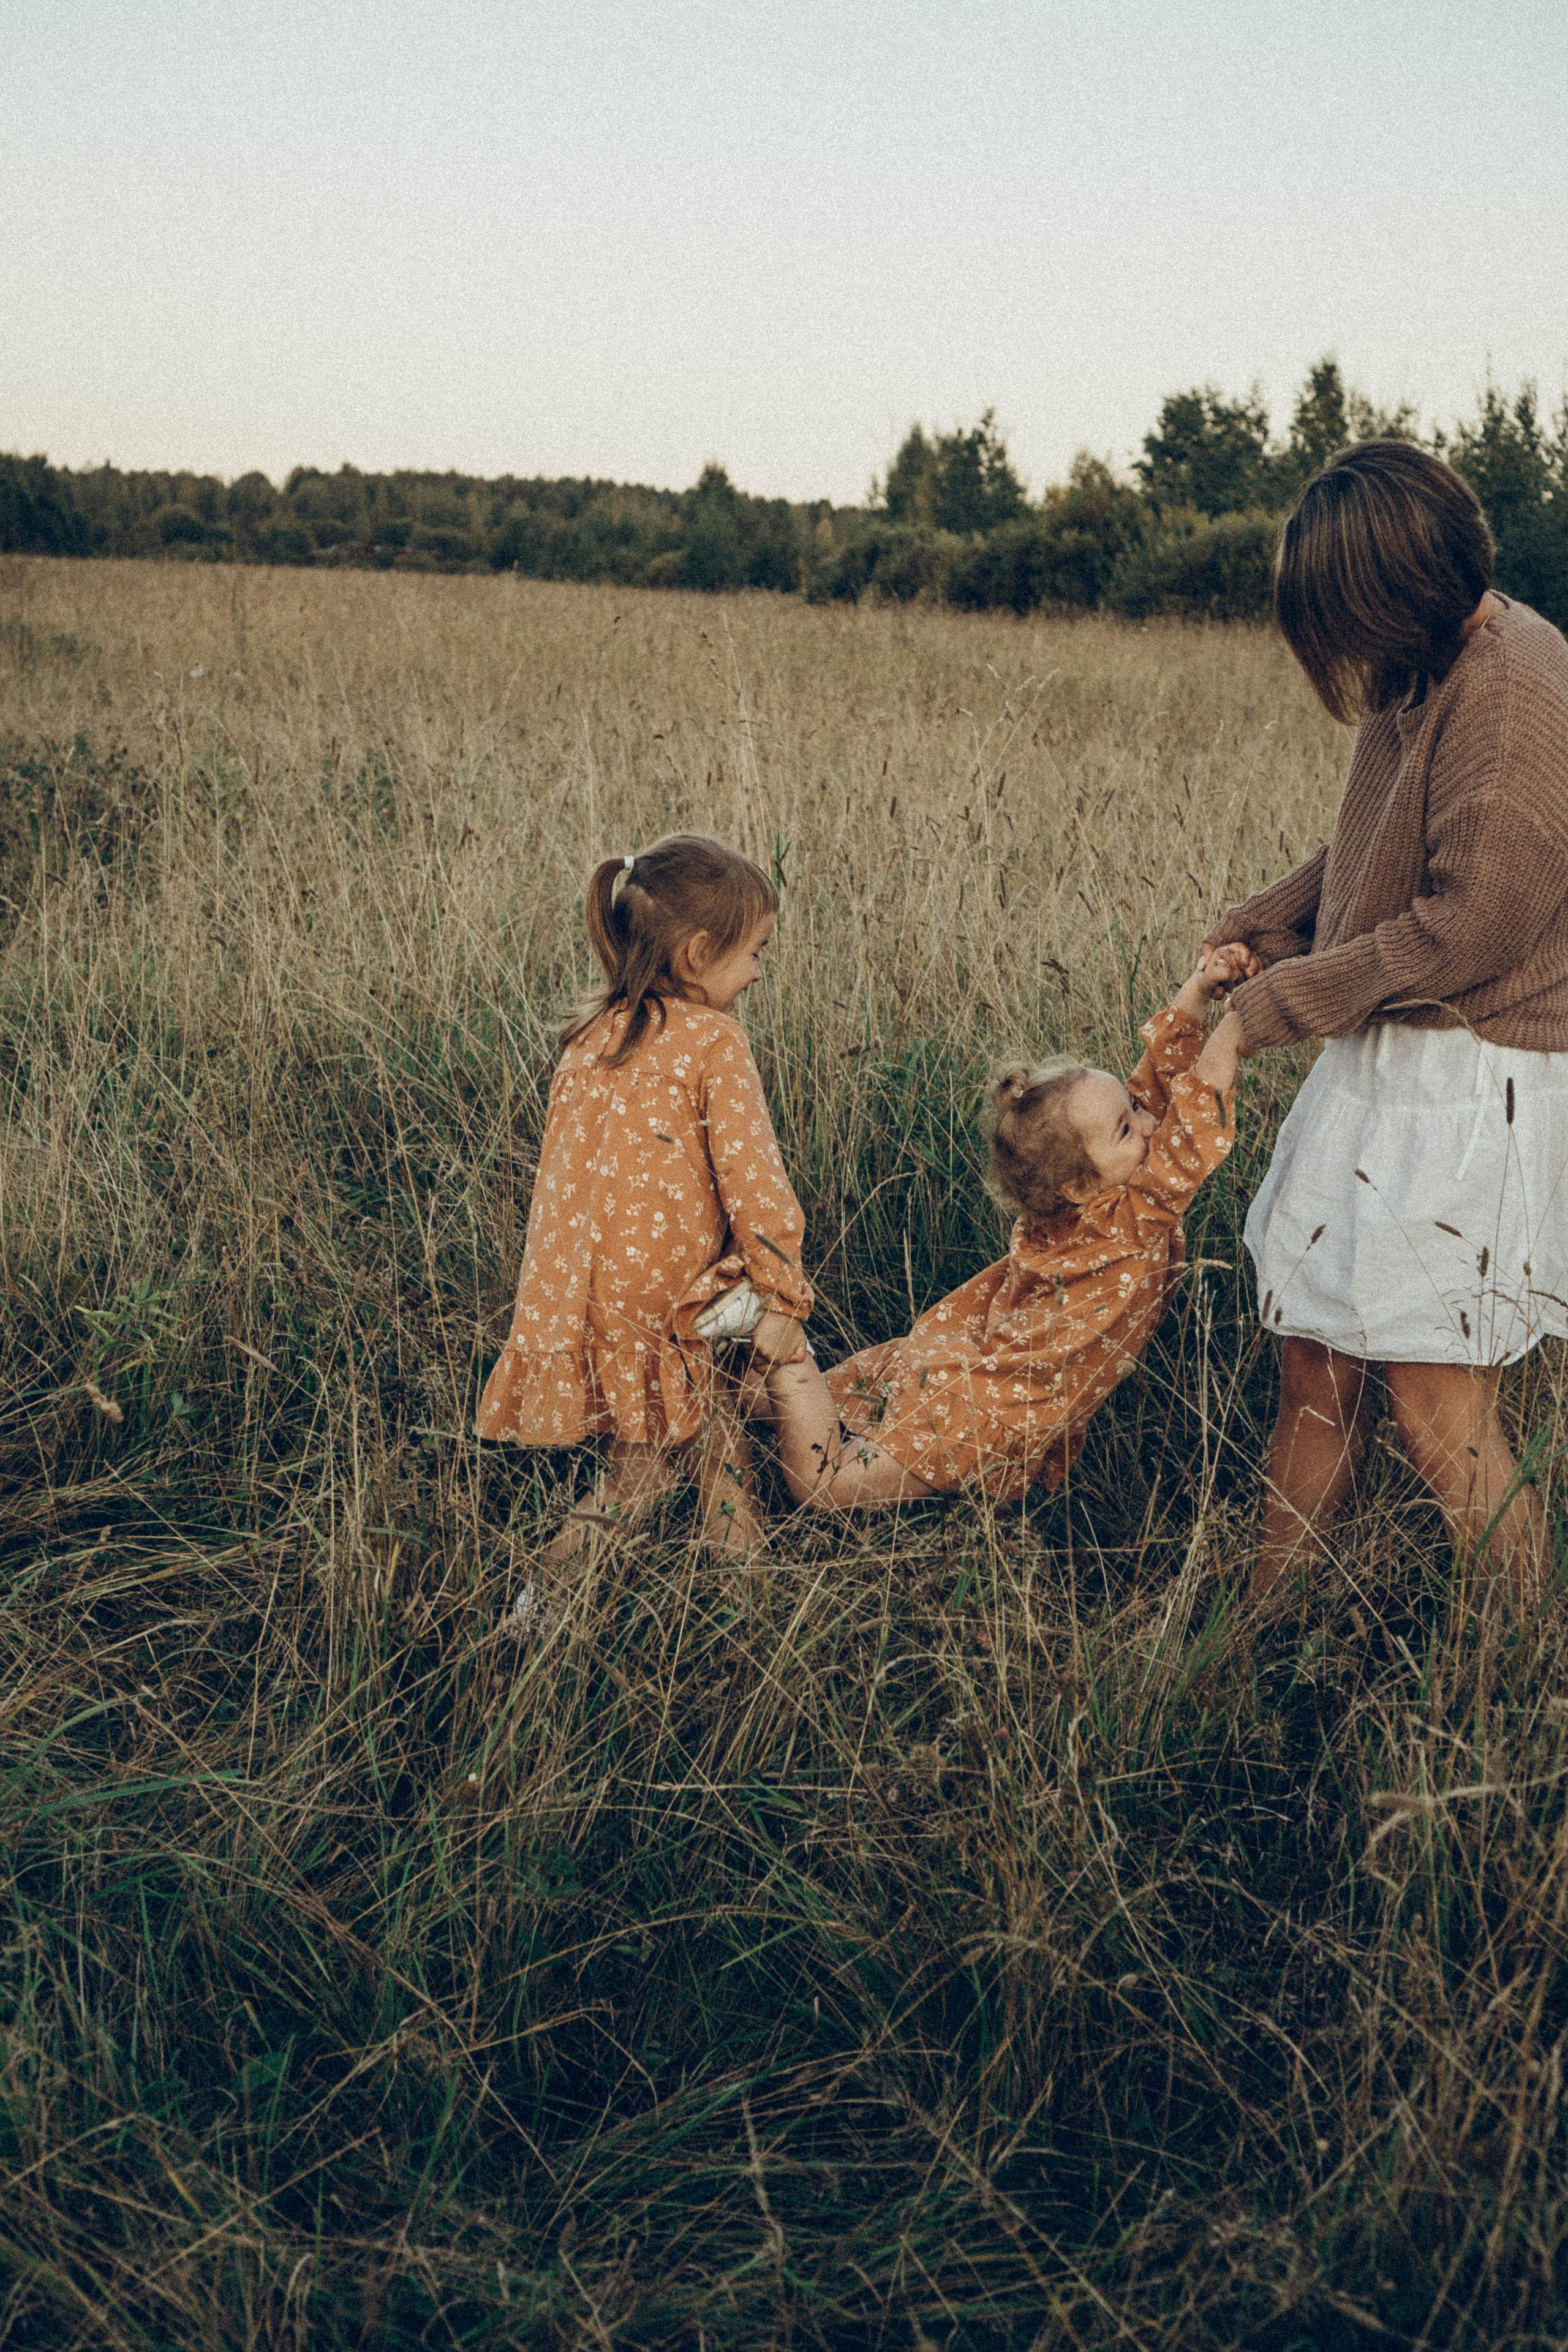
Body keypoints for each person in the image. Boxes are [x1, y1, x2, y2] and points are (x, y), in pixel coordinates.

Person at [1202, 440, 1568, 1604]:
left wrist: (1269, 1009)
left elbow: (1471, 926)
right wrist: (1271, 921)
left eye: (1340, 618)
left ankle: (1520, 1672)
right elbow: (1382, 845)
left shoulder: (1512, 692)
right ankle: (1265, 1627)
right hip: (1390, 1059)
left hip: (1470, 1080)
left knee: (1432, 1394)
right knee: (1313, 1359)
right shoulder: (1426, 661)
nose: (1336, 652)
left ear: (1396, 594)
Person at [747, 952, 1249, 1510]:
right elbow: (1194, 1131)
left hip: (963, 1352)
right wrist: (1235, 1027)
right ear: (1081, 1186)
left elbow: (1156, 1084)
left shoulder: (1094, 1194)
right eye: (1128, 1126)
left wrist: (1200, 991)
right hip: (987, 1408)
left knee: (820, 1401)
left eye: (1132, 1108)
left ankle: (717, 1385)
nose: (1152, 1121)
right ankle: (786, 1346)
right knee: (829, 1483)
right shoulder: (1124, 1222)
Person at [475, 834, 811, 1582]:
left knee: (715, 1440)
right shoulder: (714, 1041)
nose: (759, 971)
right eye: (756, 951)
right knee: (643, 1476)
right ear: (697, 955)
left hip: (576, 1294)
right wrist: (782, 1286)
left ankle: (747, 1589)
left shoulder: (590, 1037)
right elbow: (755, 1182)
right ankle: (540, 1613)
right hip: (661, 1297)